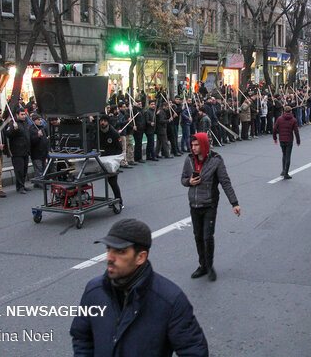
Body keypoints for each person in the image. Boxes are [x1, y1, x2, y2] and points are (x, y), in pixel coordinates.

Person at [70, 219, 209, 356]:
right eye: (108, 249)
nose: (109, 257)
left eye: (120, 251)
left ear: (140, 257)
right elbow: (82, 337)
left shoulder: (170, 300)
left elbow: (194, 351)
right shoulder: (94, 291)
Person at [180, 133, 240, 282]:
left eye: (196, 145)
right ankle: (202, 265)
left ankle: (210, 266)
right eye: (192, 145)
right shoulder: (188, 160)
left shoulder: (216, 160)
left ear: (204, 145)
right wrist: (189, 182)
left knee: (207, 237)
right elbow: (182, 179)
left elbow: (225, 182)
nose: (193, 148)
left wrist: (235, 203)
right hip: (194, 204)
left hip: (209, 204)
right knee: (198, 236)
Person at [98, 115, 124, 208]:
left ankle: (119, 200)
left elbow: (119, 149)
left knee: (112, 181)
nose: (102, 123)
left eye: (104, 121)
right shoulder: (97, 132)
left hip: (111, 159)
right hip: (100, 159)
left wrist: (113, 160)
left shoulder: (114, 133)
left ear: (108, 122)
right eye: (101, 121)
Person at [6, 108, 32, 194]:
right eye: (22, 114)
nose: (24, 116)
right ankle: (19, 186)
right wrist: (14, 129)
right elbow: (8, 134)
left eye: (24, 114)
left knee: (24, 169)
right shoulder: (12, 124)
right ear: (17, 115)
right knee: (19, 170)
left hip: (25, 150)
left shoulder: (25, 123)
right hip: (17, 151)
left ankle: (23, 185)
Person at [272, 105, 300, 179]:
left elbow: (274, 129)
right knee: (288, 156)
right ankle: (286, 172)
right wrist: (298, 140)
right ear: (291, 111)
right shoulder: (293, 120)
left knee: (284, 154)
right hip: (289, 139)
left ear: (284, 111)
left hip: (281, 138)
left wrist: (275, 138)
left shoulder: (279, 119)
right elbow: (296, 131)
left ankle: (283, 170)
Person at [30, 113, 49, 186]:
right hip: (36, 152)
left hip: (43, 152)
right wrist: (37, 136)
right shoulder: (32, 129)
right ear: (34, 121)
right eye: (38, 120)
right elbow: (32, 141)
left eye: (41, 119)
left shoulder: (41, 128)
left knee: (44, 167)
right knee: (38, 168)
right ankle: (39, 182)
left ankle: (41, 180)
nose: (40, 121)